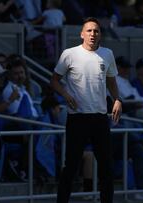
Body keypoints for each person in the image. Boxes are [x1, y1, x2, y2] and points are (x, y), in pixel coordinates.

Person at [50, 17, 122, 203]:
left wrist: (117, 100)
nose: (92, 34)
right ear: (82, 34)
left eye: (96, 31)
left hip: (99, 118)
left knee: (106, 167)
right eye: (89, 31)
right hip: (77, 118)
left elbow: (112, 81)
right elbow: (54, 80)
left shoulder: (107, 54)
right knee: (71, 166)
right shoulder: (69, 54)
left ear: (100, 35)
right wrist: (66, 95)